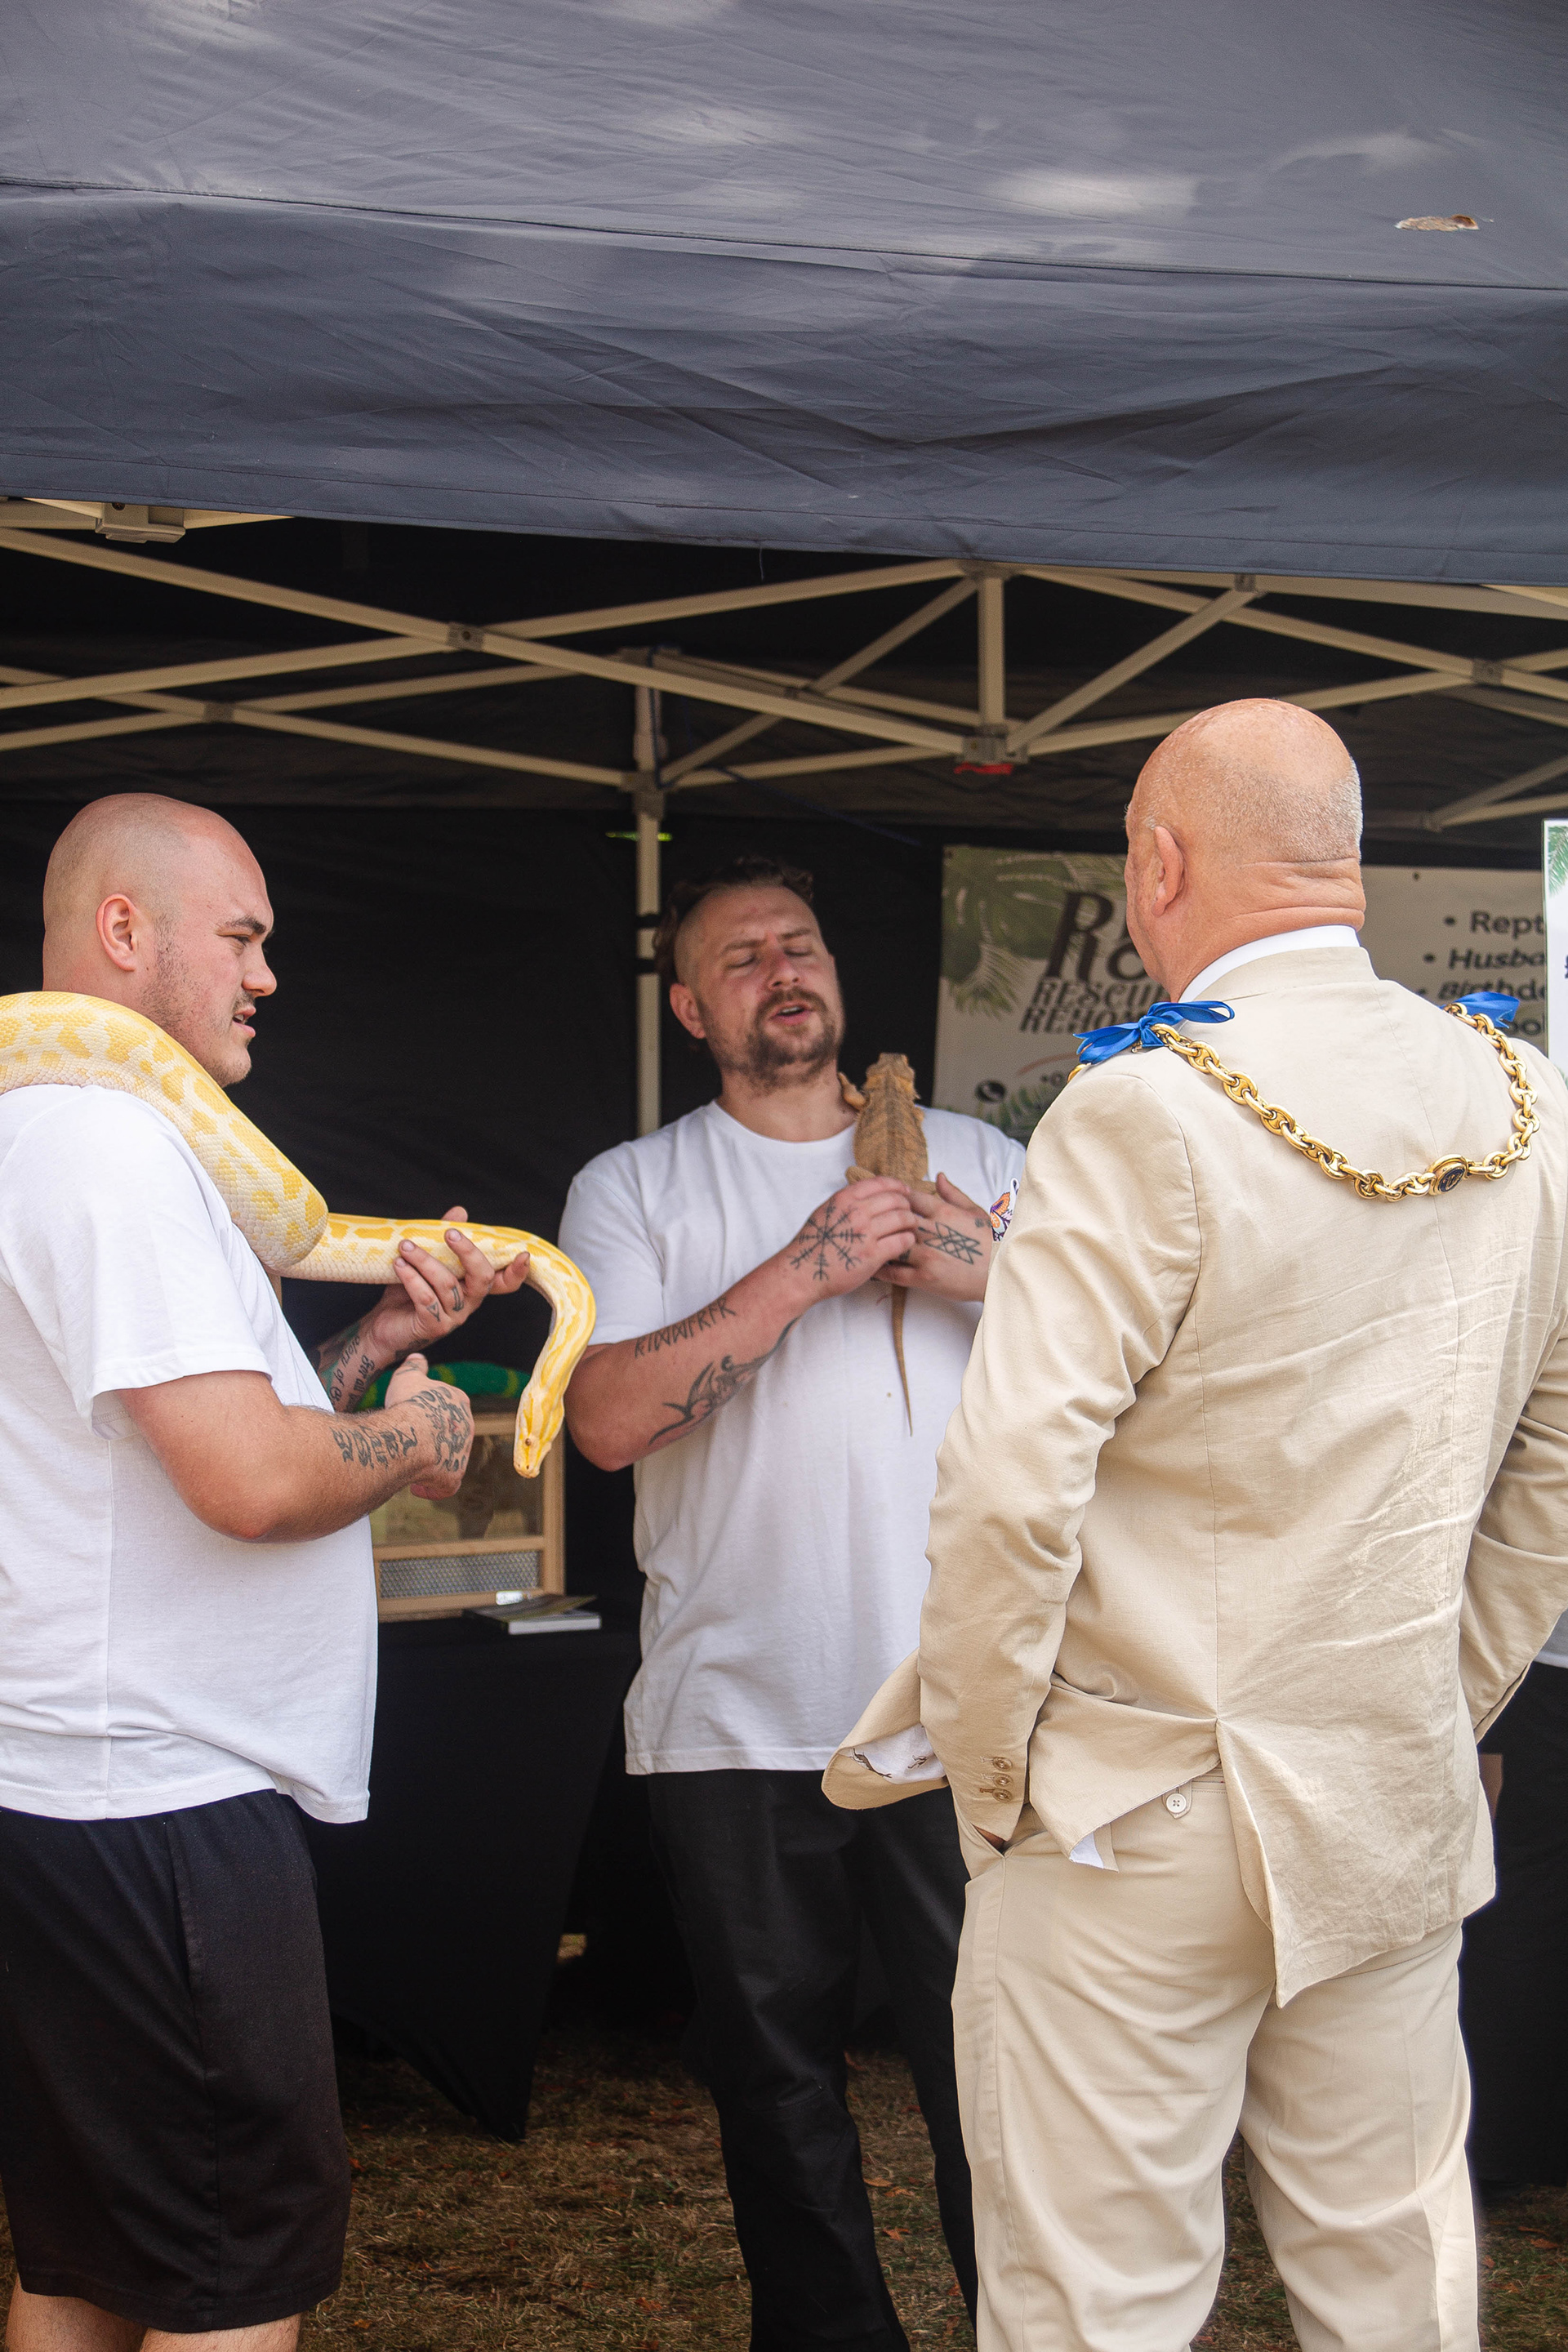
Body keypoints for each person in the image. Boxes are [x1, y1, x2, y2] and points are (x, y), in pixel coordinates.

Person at [826, 701, 1568, 2352]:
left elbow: (1012, 1488)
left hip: (1131, 1801)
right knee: (1396, 2288)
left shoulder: (1138, 1110)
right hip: (1385, 1785)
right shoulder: (1527, 1100)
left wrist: (997, 1779)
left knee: (1098, 2309)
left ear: (1159, 868)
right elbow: (1554, 1471)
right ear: (1345, 864)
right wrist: (1438, 1697)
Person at [0, 792, 526, 2352]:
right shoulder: (109, 1146)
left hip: (85, 1789)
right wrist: (425, 1432)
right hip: (156, 1805)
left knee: (92, 2264)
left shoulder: (58, 1135)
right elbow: (247, 1480)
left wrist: (374, 1347)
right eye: (242, 937)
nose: (265, 976)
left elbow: (188, 1428)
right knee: (236, 2280)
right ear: (124, 932)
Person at [560, 854, 1024, 2352]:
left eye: (801, 942)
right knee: (775, 2087)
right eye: (743, 955)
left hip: (962, 1705)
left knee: (1000, 2077)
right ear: (693, 1009)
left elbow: (1129, 1363)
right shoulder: (635, 1188)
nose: (784, 968)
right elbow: (605, 1421)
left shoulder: (980, 1159)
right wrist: (808, 1268)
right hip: (737, 1711)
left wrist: (984, 1267)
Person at [1459, 1606, 1568, 2195]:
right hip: (1538, 1651)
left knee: (1523, 1884)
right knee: (1521, 1890)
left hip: (1538, 1647)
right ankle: (1498, 2140)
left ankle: (1498, 2142)